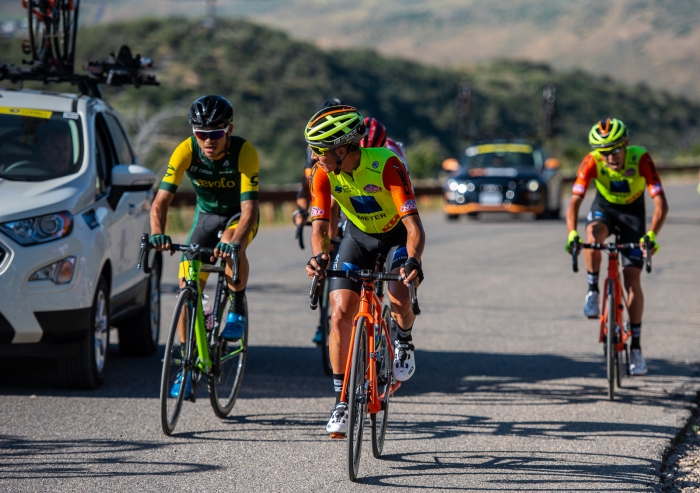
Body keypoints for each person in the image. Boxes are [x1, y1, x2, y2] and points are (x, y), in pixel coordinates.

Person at [303, 105, 425, 436]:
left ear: (342, 149)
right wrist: (319, 257)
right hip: (357, 239)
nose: (314, 157)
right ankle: (341, 401)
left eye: (320, 151)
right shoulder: (321, 174)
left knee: (399, 292)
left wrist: (413, 261)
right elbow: (320, 227)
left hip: (396, 236)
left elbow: (414, 228)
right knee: (340, 311)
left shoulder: (386, 165)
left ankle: (403, 340)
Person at [150, 95, 260, 397]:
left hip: (239, 214)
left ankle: (236, 307)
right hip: (207, 216)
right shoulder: (186, 150)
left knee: (229, 245)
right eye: (201, 134)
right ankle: (188, 364)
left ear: (229, 129)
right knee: (187, 283)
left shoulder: (243, 151)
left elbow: (250, 209)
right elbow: (160, 202)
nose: (208, 141)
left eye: (215, 133)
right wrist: (158, 233)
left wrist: (235, 243)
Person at [566, 118, 668, 376]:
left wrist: (652, 236)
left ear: (626, 144)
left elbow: (661, 204)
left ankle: (635, 347)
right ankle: (593, 290)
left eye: (615, 149)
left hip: (633, 215)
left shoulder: (641, 159)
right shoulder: (592, 161)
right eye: (604, 151)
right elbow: (574, 202)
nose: (609, 156)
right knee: (592, 234)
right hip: (606, 210)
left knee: (632, 279)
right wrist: (571, 234)